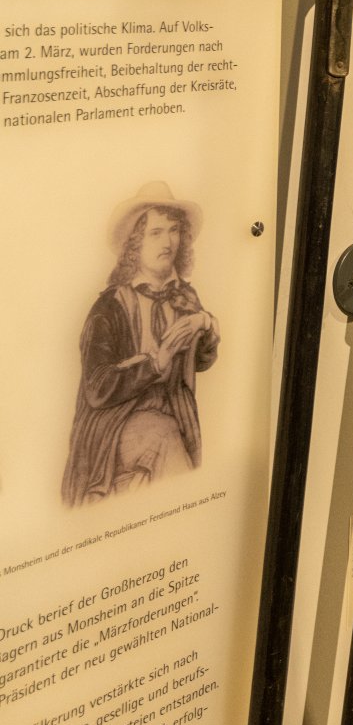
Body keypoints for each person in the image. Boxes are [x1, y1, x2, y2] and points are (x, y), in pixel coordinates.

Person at [62, 181, 220, 505]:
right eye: (156, 232)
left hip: (175, 418)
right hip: (113, 428)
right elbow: (97, 388)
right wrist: (155, 364)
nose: (168, 242)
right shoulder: (110, 307)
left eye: (174, 231)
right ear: (135, 244)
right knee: (162, 435)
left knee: (170, 436)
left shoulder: (185, 297)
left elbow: (201, 362)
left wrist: (206, 328)